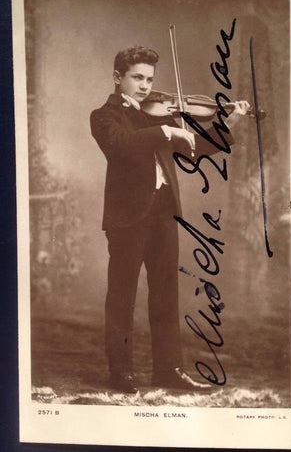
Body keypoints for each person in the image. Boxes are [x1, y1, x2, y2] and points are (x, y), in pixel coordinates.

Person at [90, 46, 249, 393]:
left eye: (149, 79)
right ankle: (121, 372)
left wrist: (228, 122)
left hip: (163, 212)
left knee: (165, 295)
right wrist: (167, 132)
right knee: (122, 296)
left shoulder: (158, 116)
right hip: (127, 219)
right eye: (137, 78)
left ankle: (168, 370)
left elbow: (198, 147)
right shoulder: (104, 116)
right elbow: (120, 144)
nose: (145, 87)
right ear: (119, 78)